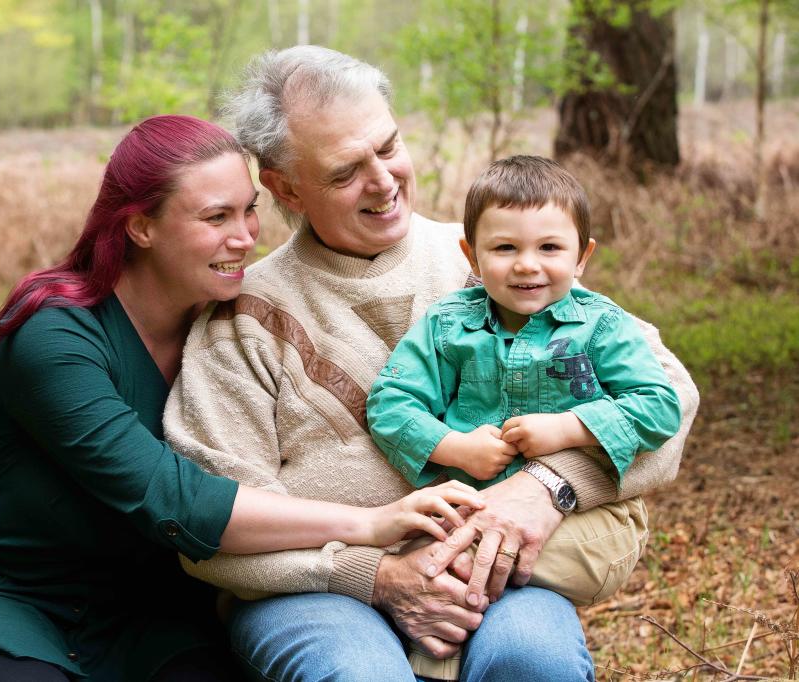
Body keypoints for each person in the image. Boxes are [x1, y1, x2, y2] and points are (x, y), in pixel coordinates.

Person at [164, 46, 699, 682]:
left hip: (500, 578)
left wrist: (549, 486)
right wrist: (374, 574)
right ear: (285, 187)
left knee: (536, 662)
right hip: (321, 593)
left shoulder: (501, 258)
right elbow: (204, 524)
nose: (384, 181)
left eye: (388, 147)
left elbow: (669, 403)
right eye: (344, 172)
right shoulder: (243, 321)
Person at [0, 115, 488, 682]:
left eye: (250, 211)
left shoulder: (230, 327)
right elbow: (172, 498)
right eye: (215, 217)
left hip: (148, 612)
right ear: (140, 227)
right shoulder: (54, 338)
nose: (245, 237)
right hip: (0, 594)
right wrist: (372, 526)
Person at [366, 154, 684, 679]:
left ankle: (432, 664)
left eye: (550, 248)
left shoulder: (600, 326)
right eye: (505, 247)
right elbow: (390, 403)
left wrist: (569, 429)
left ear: (582, 256)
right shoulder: (448, 325)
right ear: (472, 254)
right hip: (471, 514)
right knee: (451, 559)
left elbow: (657, 403)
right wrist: (454, 447)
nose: (527, 265)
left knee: (451, 566)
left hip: (590, 526)